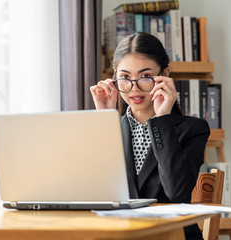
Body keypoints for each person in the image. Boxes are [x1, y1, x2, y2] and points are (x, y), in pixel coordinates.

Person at [90, 32, 210, 240]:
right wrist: (105, 121)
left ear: (165, 74)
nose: (134, 88)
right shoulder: (110, 127)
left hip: (171, 235)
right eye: (125, 78)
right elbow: (95, 191)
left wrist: (162, 118)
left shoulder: (193, 129)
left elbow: (177, 192)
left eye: (145, 77)